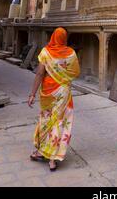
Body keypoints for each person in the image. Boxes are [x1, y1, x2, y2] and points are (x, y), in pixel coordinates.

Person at [28, 27, 80, 171]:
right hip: (63, 91)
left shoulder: (45, 52)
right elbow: (75, 72)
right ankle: (52, 159)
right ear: (64, 39)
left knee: (46, 120)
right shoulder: (70, 54)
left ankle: (41, 152)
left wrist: (32, 94)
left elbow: (39, 74)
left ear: (52, 37)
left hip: (48, 92)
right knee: (58, 121)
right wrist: (64, 78)